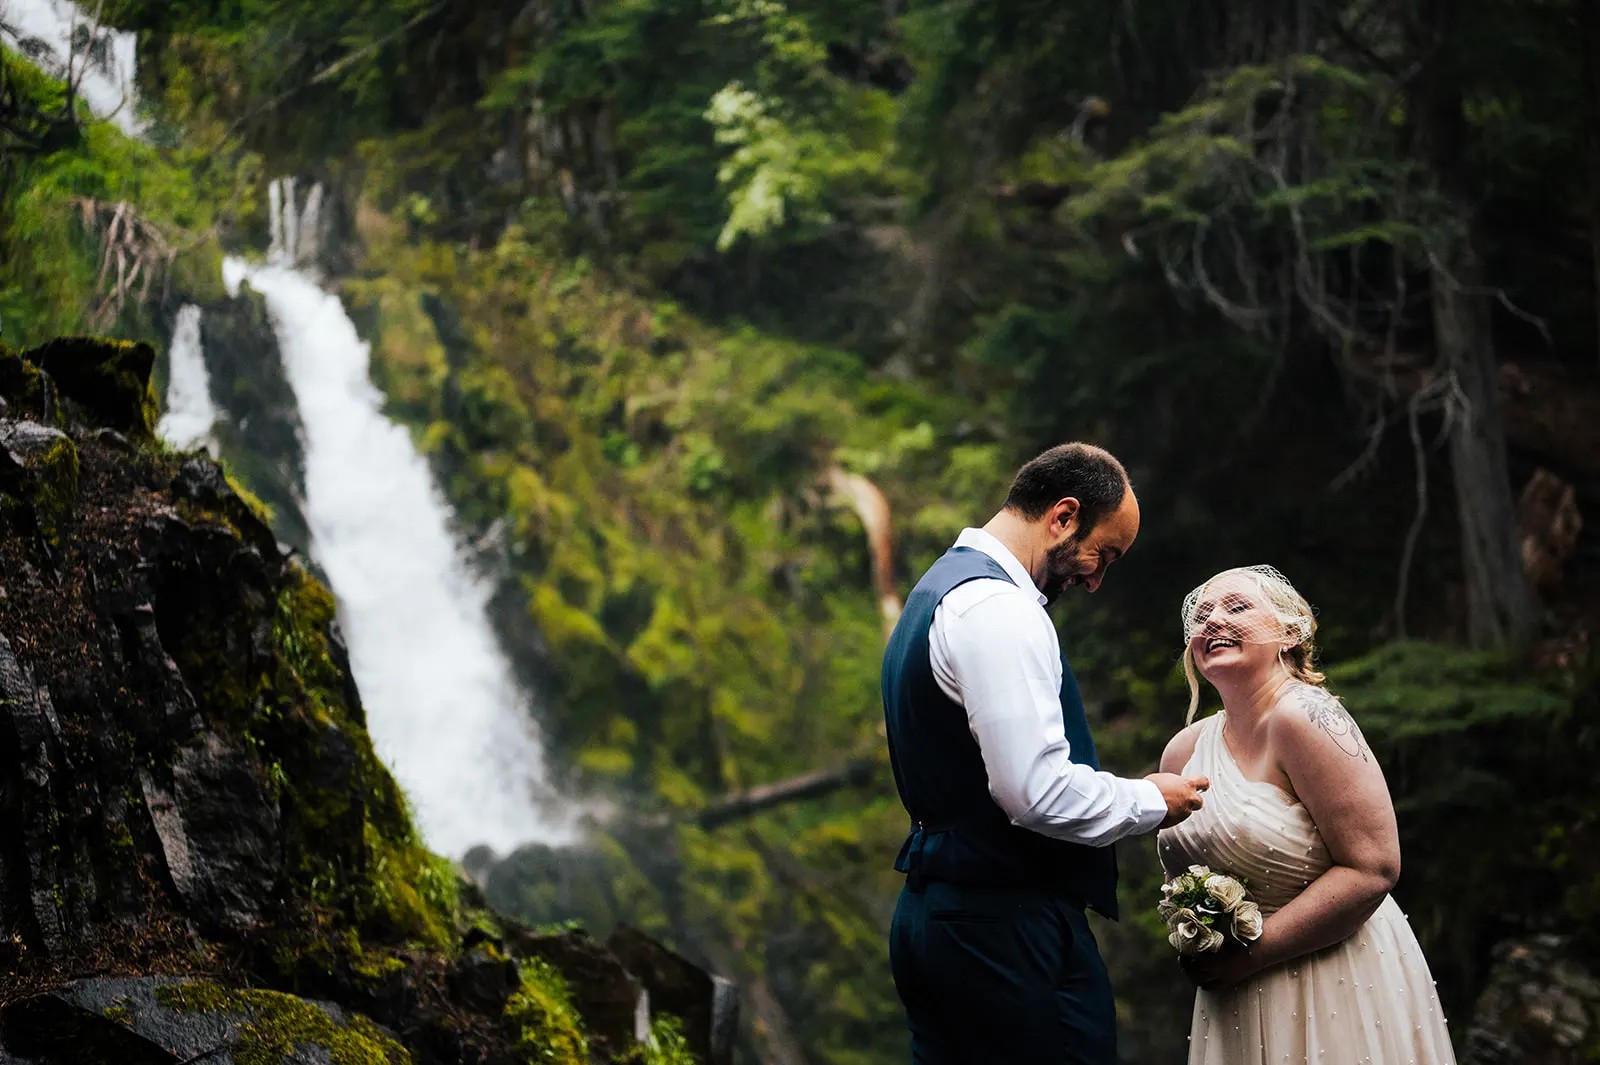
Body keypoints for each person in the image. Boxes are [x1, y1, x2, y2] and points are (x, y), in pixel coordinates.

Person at [883, 442, 1211, 1064]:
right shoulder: (998, 610)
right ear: (1062, 517)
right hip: (1000, 929)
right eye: (1102, 554)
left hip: (949, 916)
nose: (1094, 580)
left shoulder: (938, 591)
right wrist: (1151, 798)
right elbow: (1034, 792)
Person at [1157, 565, 1456, 1064]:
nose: (1211, 623)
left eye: (1236, 607)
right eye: (1202, 615)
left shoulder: (1307, 718)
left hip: (1331, 979)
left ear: (1290, 632)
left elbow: (1374, 866)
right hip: (1232, 997)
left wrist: (1253, 954)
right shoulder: (1182, 751)